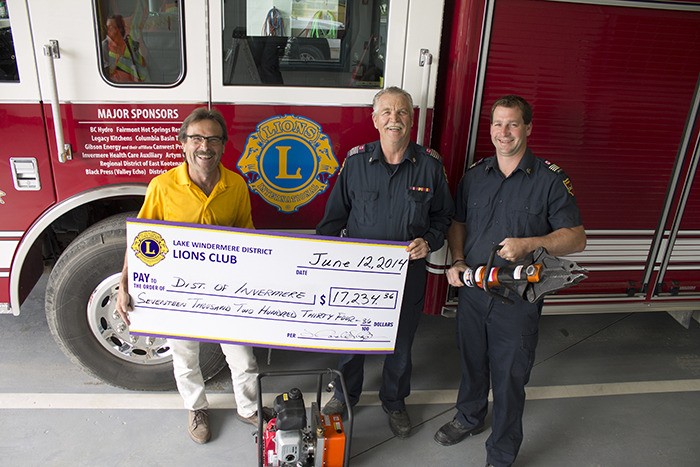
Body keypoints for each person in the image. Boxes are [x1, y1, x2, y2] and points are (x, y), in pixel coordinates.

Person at [434, 95, 586, 466]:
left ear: (528, 128)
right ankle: (469, 417)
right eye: (497, 124)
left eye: (513, 124)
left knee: (508, 377)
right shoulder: (474, 176)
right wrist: (456, 260)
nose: (504, 132)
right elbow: (459, 223)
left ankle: (501, 453)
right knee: (472, 362)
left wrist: (532, 243)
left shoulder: (550, 180)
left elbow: (576, 237)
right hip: (474, 292)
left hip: (517, 300)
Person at [115, 108, 269, 444]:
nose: (205, 145)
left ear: (224, 145)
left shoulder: (235, 185)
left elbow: (248, 235)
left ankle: (247, 407)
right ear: (183, 144)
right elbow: (142, 239)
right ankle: (196, 407)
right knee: (185, 355)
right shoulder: (163, 186)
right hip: (179, 292)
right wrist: (123, 283)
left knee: (242, 354)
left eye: (213, 138)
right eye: (196, 138)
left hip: (227, 289)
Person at [316, 86, 454, 438]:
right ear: (375, 120)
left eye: (403, 112)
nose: (395, 119)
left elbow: (443, 218)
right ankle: (344, 394)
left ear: (412, 119)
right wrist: (323, 266)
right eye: (387, 113)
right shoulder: (356, 163)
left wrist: (431, 241)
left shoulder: (430, 167)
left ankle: (394, 401)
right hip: (358, 274)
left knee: (401, 344)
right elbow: (333, 220)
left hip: (408, 274)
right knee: (351, 336)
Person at [102, 14, 149, 83]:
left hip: (139, 84)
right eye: (108, 27)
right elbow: (106, 74)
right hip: (119, 87)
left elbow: (143, 63)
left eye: (120, 26)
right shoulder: (104, 47)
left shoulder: (130, 43)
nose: (108, 30)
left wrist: (140, 40)